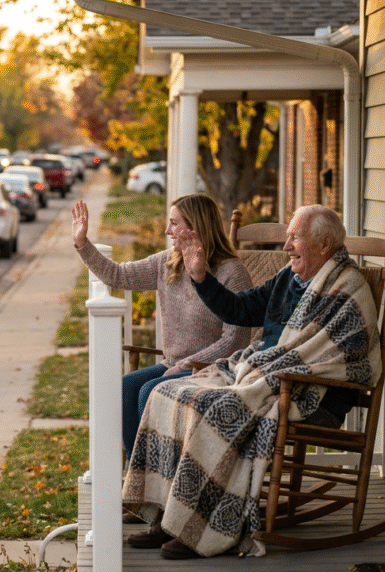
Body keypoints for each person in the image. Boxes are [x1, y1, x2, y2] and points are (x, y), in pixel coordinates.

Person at [122, 205, 382, 560]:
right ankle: (166, 517)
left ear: (324, 244)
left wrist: (275, 371)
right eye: (287, 237)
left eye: (295, 238)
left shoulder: (348, 289)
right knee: (167, 392)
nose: (287, 246)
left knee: (215, 408)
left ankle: (197, 527)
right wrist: (201, 279)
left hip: (308, 395)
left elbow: (346, 360)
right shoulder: (290, 278)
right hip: (264, 375)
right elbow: (240, 310)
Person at [72, 194, 253, 474]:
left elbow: (234, 340)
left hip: (215, 369)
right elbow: (117, 275)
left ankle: (161, 483)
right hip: (174, 365)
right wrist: (83, 243)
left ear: (196, 227)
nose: (167, 230)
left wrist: (184, 365)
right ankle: (141, 481)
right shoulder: (167, 263)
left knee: (150, 390)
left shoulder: (232, 272)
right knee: (126, 387)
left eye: (174, 223)